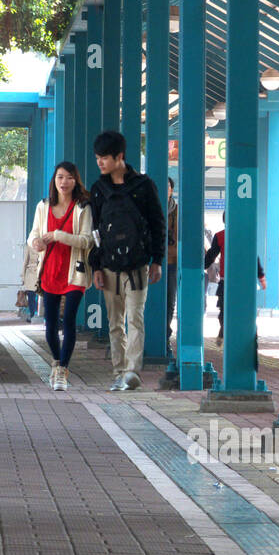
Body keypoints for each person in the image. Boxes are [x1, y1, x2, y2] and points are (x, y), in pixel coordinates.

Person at [87, 130, 165, 392]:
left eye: (104, 158)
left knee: (135, 318)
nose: (100, 163)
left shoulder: (144, 186)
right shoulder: (98, 190)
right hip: (108, 265)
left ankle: (132, 371)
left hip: (138, 265)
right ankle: (119, 371)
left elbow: (157, 224)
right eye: (98, 158)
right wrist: (96, 266)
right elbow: (95, 231)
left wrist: (157, 260)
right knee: (115, 323)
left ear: (120, 156)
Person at [28, 160, 93, 391]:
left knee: (69, 322)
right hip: (50, 271)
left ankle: (63, 370)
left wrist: (58, 235)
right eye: (60, 177)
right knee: (50, 323)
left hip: (75, 273)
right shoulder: (42, 206)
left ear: (76, 181)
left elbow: (87, 240)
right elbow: (33, 234)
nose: (64, 182)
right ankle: (56, 363)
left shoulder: (82, 208)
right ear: (53, 181)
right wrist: (35, 242)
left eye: (69, 177)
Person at [203, 213, 266, 348]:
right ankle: (242, 335)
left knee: (224, 310)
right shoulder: (245, 235)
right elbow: (254, 257)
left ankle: (224, 332)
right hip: (242, 282)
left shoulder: (220, 236)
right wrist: (261, 276)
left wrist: (201, 266)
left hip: (227, 282)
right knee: (244, 310)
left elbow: (211, 256)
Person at [164, 177, 178, 353]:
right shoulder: (149, 209)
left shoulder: (177, 212)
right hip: (151, 262)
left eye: (167, 186)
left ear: (171, 190)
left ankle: (165, 336)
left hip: (172, 262)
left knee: (169, 301)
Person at [20, 239, 41, 321]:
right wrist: (23, 276)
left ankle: (41, 315)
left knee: (42, 296)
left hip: (41, 272)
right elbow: (25, 261)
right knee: (31, 295)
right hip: (31, 273)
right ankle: (32, 314)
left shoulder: (45, 244)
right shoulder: (29, 246)